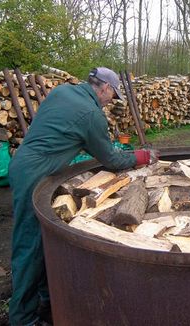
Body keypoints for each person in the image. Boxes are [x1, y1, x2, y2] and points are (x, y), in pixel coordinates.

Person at [8, 67, 158, 325]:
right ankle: (22, 319)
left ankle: (46, 299)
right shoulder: (91, 114)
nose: (112, 102)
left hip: (23, 164)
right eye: (113, 96)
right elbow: (110, 159)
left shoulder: (63, 91)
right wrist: (141, 156)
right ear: (105, 88)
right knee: (29, 244)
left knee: (43, 241)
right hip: (35, 174)